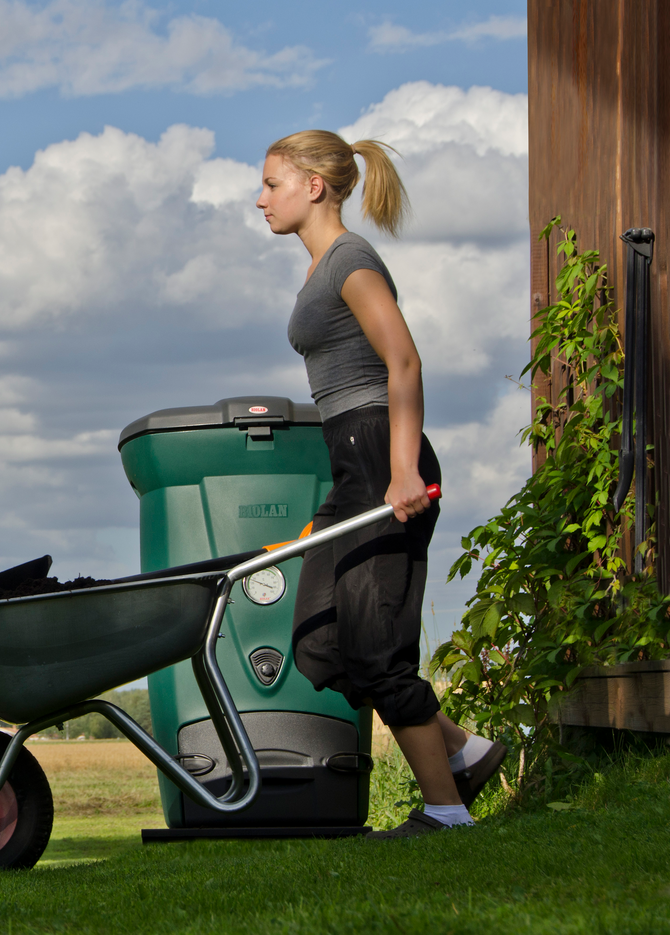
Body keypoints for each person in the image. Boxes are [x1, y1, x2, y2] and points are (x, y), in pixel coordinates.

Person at [255, 131, 506, 837]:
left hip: (381, 455)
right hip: (352, 462)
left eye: (272, 183)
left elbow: (403, 360)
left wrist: (400, 469)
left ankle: (446, 811)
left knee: (375, 644)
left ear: (313, 186)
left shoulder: (350, 260)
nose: (260, 197)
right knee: (317, 644)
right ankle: (465, 749)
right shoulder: (319, 270)